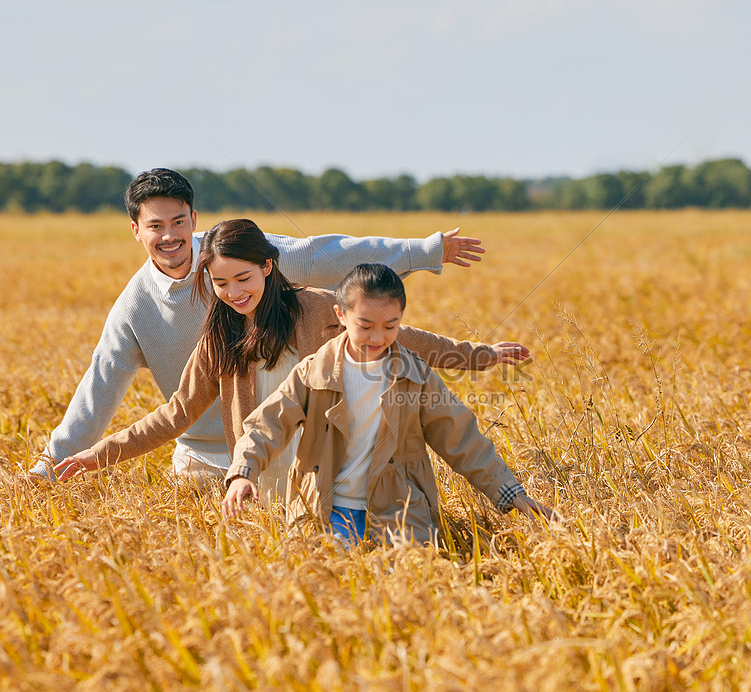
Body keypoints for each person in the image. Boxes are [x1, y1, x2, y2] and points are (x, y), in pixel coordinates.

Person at [31, 167, 487, 482]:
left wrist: (424, 252)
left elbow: (326, 254)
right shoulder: (134, 310)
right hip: (204, 458)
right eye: (155, 226)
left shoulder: (241, 252)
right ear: (136, 230)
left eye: (178, 222)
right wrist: (54, 463)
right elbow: (102, 386)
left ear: (194, 218)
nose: (169, 236)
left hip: (294, 442)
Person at [53, 220, 528, 502]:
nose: (234, 293)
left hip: (325, 472)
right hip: (259, 479)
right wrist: (99, 454)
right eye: (221, 284)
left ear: (266, 266)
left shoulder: (317, 308)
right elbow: (176, 413)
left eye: (243, 277)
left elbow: (395, 336)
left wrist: (478, 355)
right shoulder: (218, 337)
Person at [220, 263, 557, 546]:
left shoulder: (416, 376)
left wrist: (511, 494)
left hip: (401, 511)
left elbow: (461, 439)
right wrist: (243, 472)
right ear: (341, 315)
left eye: (390, 326)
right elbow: (267, 425)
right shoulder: (313, 373)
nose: (378, 338)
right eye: (365, 326)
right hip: (325, 509)